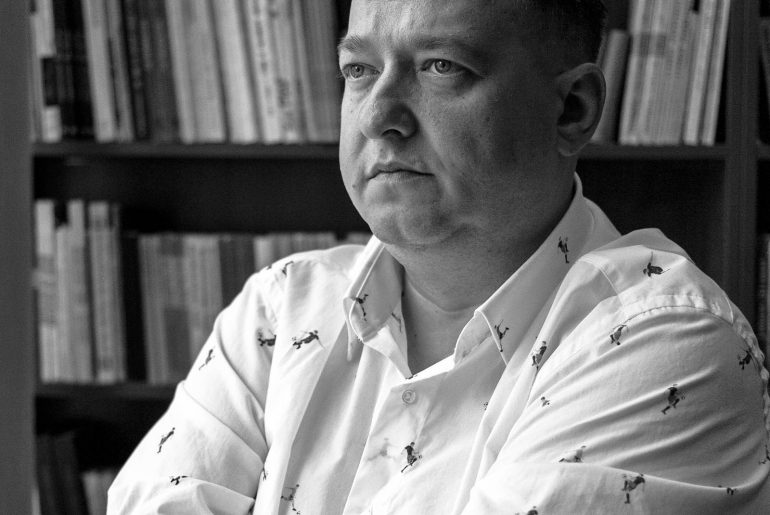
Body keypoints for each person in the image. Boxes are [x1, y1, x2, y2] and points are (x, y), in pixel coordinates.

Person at [108, 0, 770, 513]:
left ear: (572, 110)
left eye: (441, 67)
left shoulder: (671, 342)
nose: (378, 116)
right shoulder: (281, 308)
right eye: (359, 70)